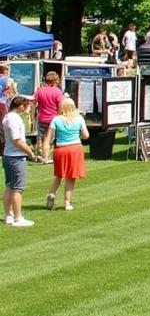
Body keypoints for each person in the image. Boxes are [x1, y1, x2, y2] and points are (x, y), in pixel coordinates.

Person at [43, 97, 89, 210]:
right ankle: (67, 203)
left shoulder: (56, 120)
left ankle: (52, 193)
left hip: (60, 149)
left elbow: (49, 138)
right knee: (71, 176)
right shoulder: (79, 119)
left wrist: (45, 153)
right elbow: (86, 135)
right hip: (75, 148)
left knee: (59, 174)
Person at [3, 96, 39, 226]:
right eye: (27, 105)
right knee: (17, 188)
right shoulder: (15, 119)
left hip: (8, 155)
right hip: (15, 157)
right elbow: (17, 140)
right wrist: (30, 152)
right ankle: (18, 218)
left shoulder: (8, 117)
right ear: (21, 106)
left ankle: (9, 215)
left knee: (9, 186)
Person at [34, 70, 65, 163]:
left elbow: (33, 104)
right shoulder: (58, 92)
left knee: (41, 138)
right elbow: (61, 106)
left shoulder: (39, 91)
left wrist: (32, 116)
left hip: (41, 118)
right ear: (55, 80)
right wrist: (60, 117)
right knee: (49, 140)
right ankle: (46, 157)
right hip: (53, 119)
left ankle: (41, 155)